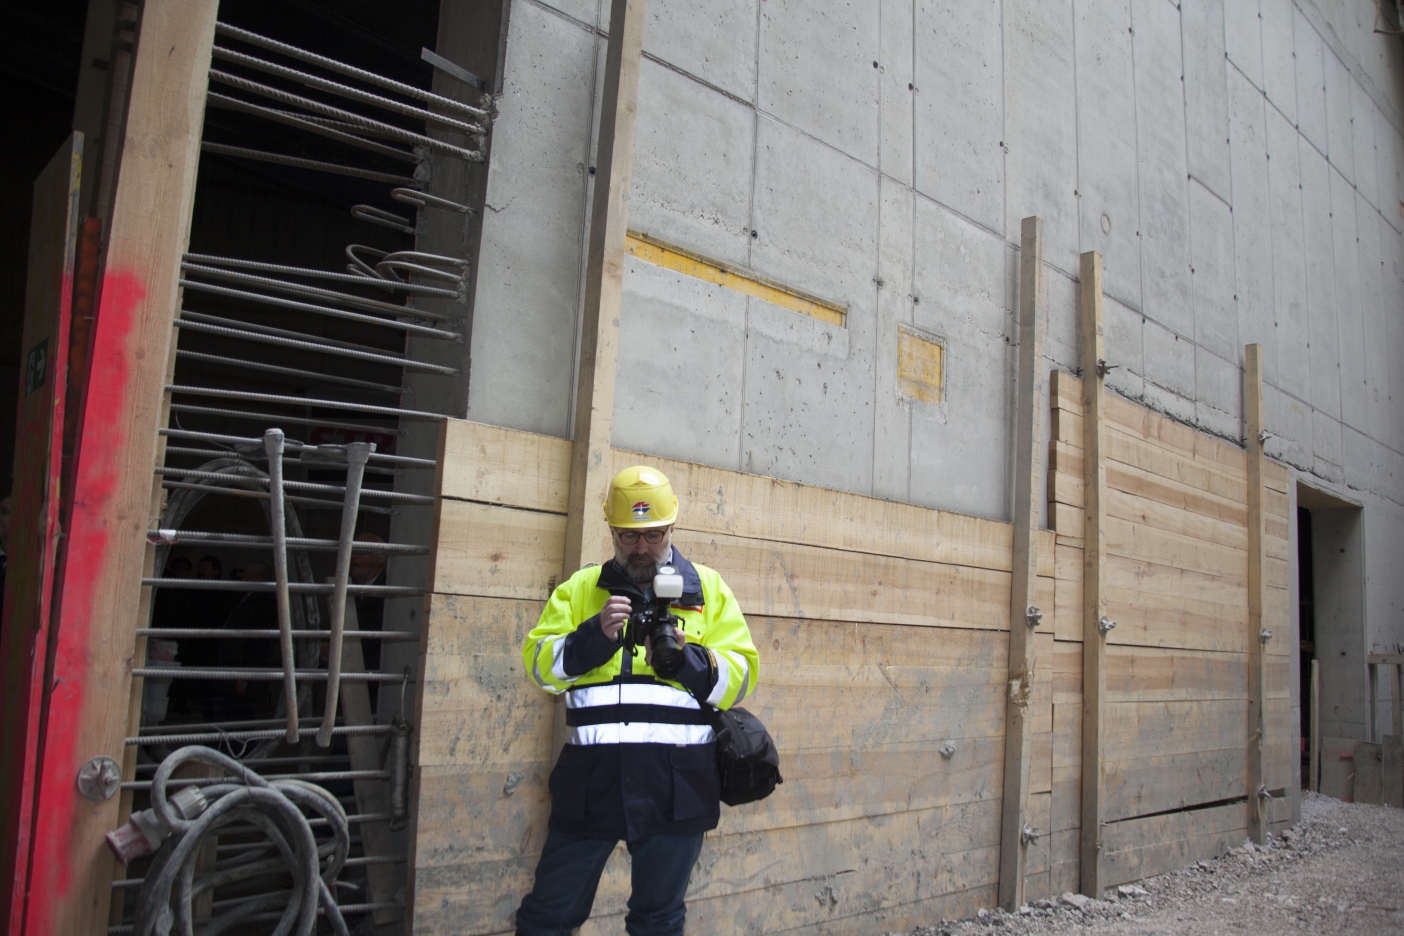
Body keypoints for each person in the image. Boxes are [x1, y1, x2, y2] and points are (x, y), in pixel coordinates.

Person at [515, 466, 759, 936]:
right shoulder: (581, 590)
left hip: (677, 788)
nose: (642, 548)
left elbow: (742, 674)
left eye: (654, 535)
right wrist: (591, 638)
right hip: (591, 784)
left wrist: (690, 662)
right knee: (547, 916)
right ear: (610, 530)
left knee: (658, 922)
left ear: (672, 528)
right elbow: (540, 669)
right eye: (629, 536)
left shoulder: (708, 590)